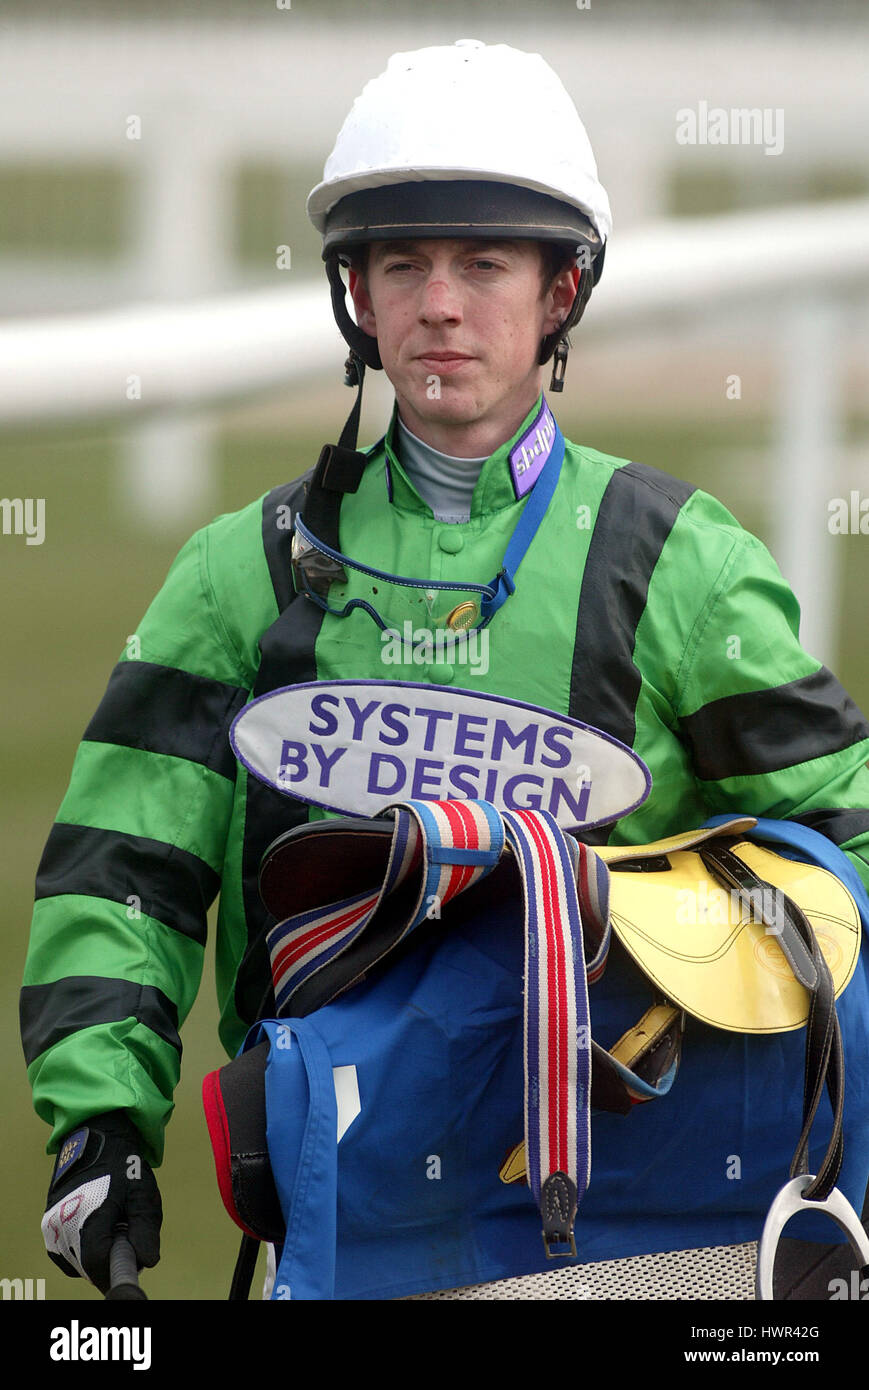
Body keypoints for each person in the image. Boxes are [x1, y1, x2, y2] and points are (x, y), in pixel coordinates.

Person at [23, 39, 869, 1297]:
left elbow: (838, 849)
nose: (440, 304)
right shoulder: (233, 577)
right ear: (353, 294)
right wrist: (99, 1125)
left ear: (560, 289)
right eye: (401, 264)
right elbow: (123, 866)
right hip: (335, 1198)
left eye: (483, 263)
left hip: (626, 1219)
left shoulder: (680, 562)